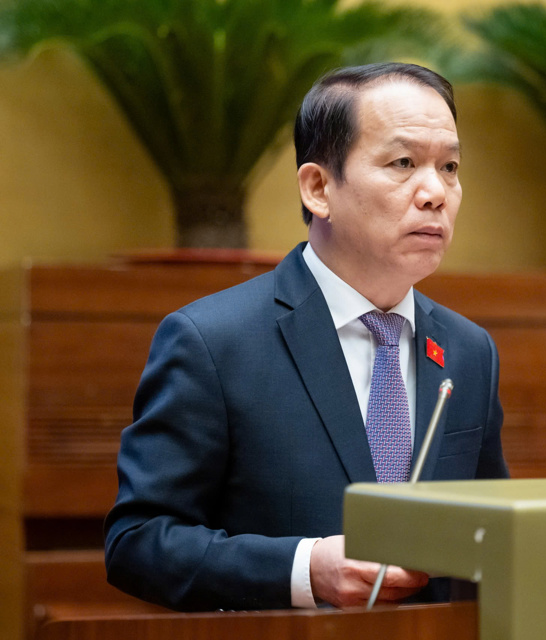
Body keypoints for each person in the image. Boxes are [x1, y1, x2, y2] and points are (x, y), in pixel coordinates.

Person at [104, 62, 509, 611]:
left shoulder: (468, 349)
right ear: (319, 188)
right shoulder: (212, 342)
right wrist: (304, 569)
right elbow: (138, 542)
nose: (436, 191)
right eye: (404, 163)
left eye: (451, 166)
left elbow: (491, 532)